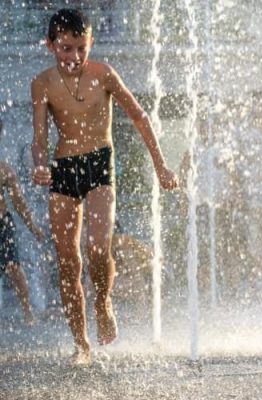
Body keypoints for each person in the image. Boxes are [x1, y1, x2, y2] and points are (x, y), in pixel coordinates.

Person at [30, 9, 178, 366]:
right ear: (50, 45)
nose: (74, 57)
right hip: (64, 169)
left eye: (81, 48)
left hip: (99, 164)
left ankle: (103, 300)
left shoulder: (104, 74)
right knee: (68, 263)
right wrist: (38, 163)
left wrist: (160, 166)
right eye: (66, 48)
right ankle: (81, 344)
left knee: (98, 247)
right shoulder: (42, 83)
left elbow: (140, 117)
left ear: (90, 43)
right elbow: (39, 137)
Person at [0, 119, 46, 326]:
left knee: (14, 268)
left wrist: (33, 227)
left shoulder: (5, 170)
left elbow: (19, 204)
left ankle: (28, 312)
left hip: (2, 224)